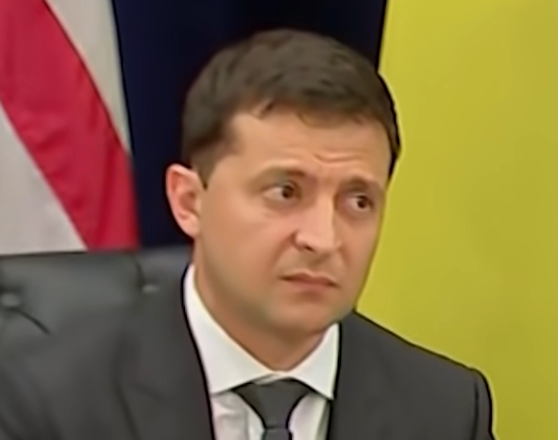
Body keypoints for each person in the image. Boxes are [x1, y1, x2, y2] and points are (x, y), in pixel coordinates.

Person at [0, 29, 496, 440]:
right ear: (189, 201)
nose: (323, 239)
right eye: (285, 192)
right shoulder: (43, 401)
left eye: (358, 201)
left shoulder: (447, 410)